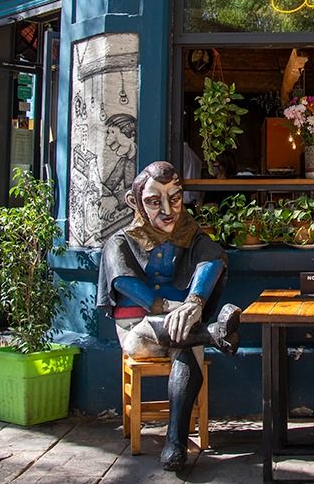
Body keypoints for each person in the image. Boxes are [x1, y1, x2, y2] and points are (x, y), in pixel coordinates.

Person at [96, 160, 240, 471]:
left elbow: (213, 258)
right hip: (138, 329)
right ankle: (214, 335)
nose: (167, 210)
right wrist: (171, 308)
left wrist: (194, 302)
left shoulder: (191, 235)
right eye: (153, 201)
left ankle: (175, 443)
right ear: (136, 202)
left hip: (185, 324)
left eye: (174, 198)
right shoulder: (121, 240)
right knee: (186, 336)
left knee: (185, 347)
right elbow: (122, 280)